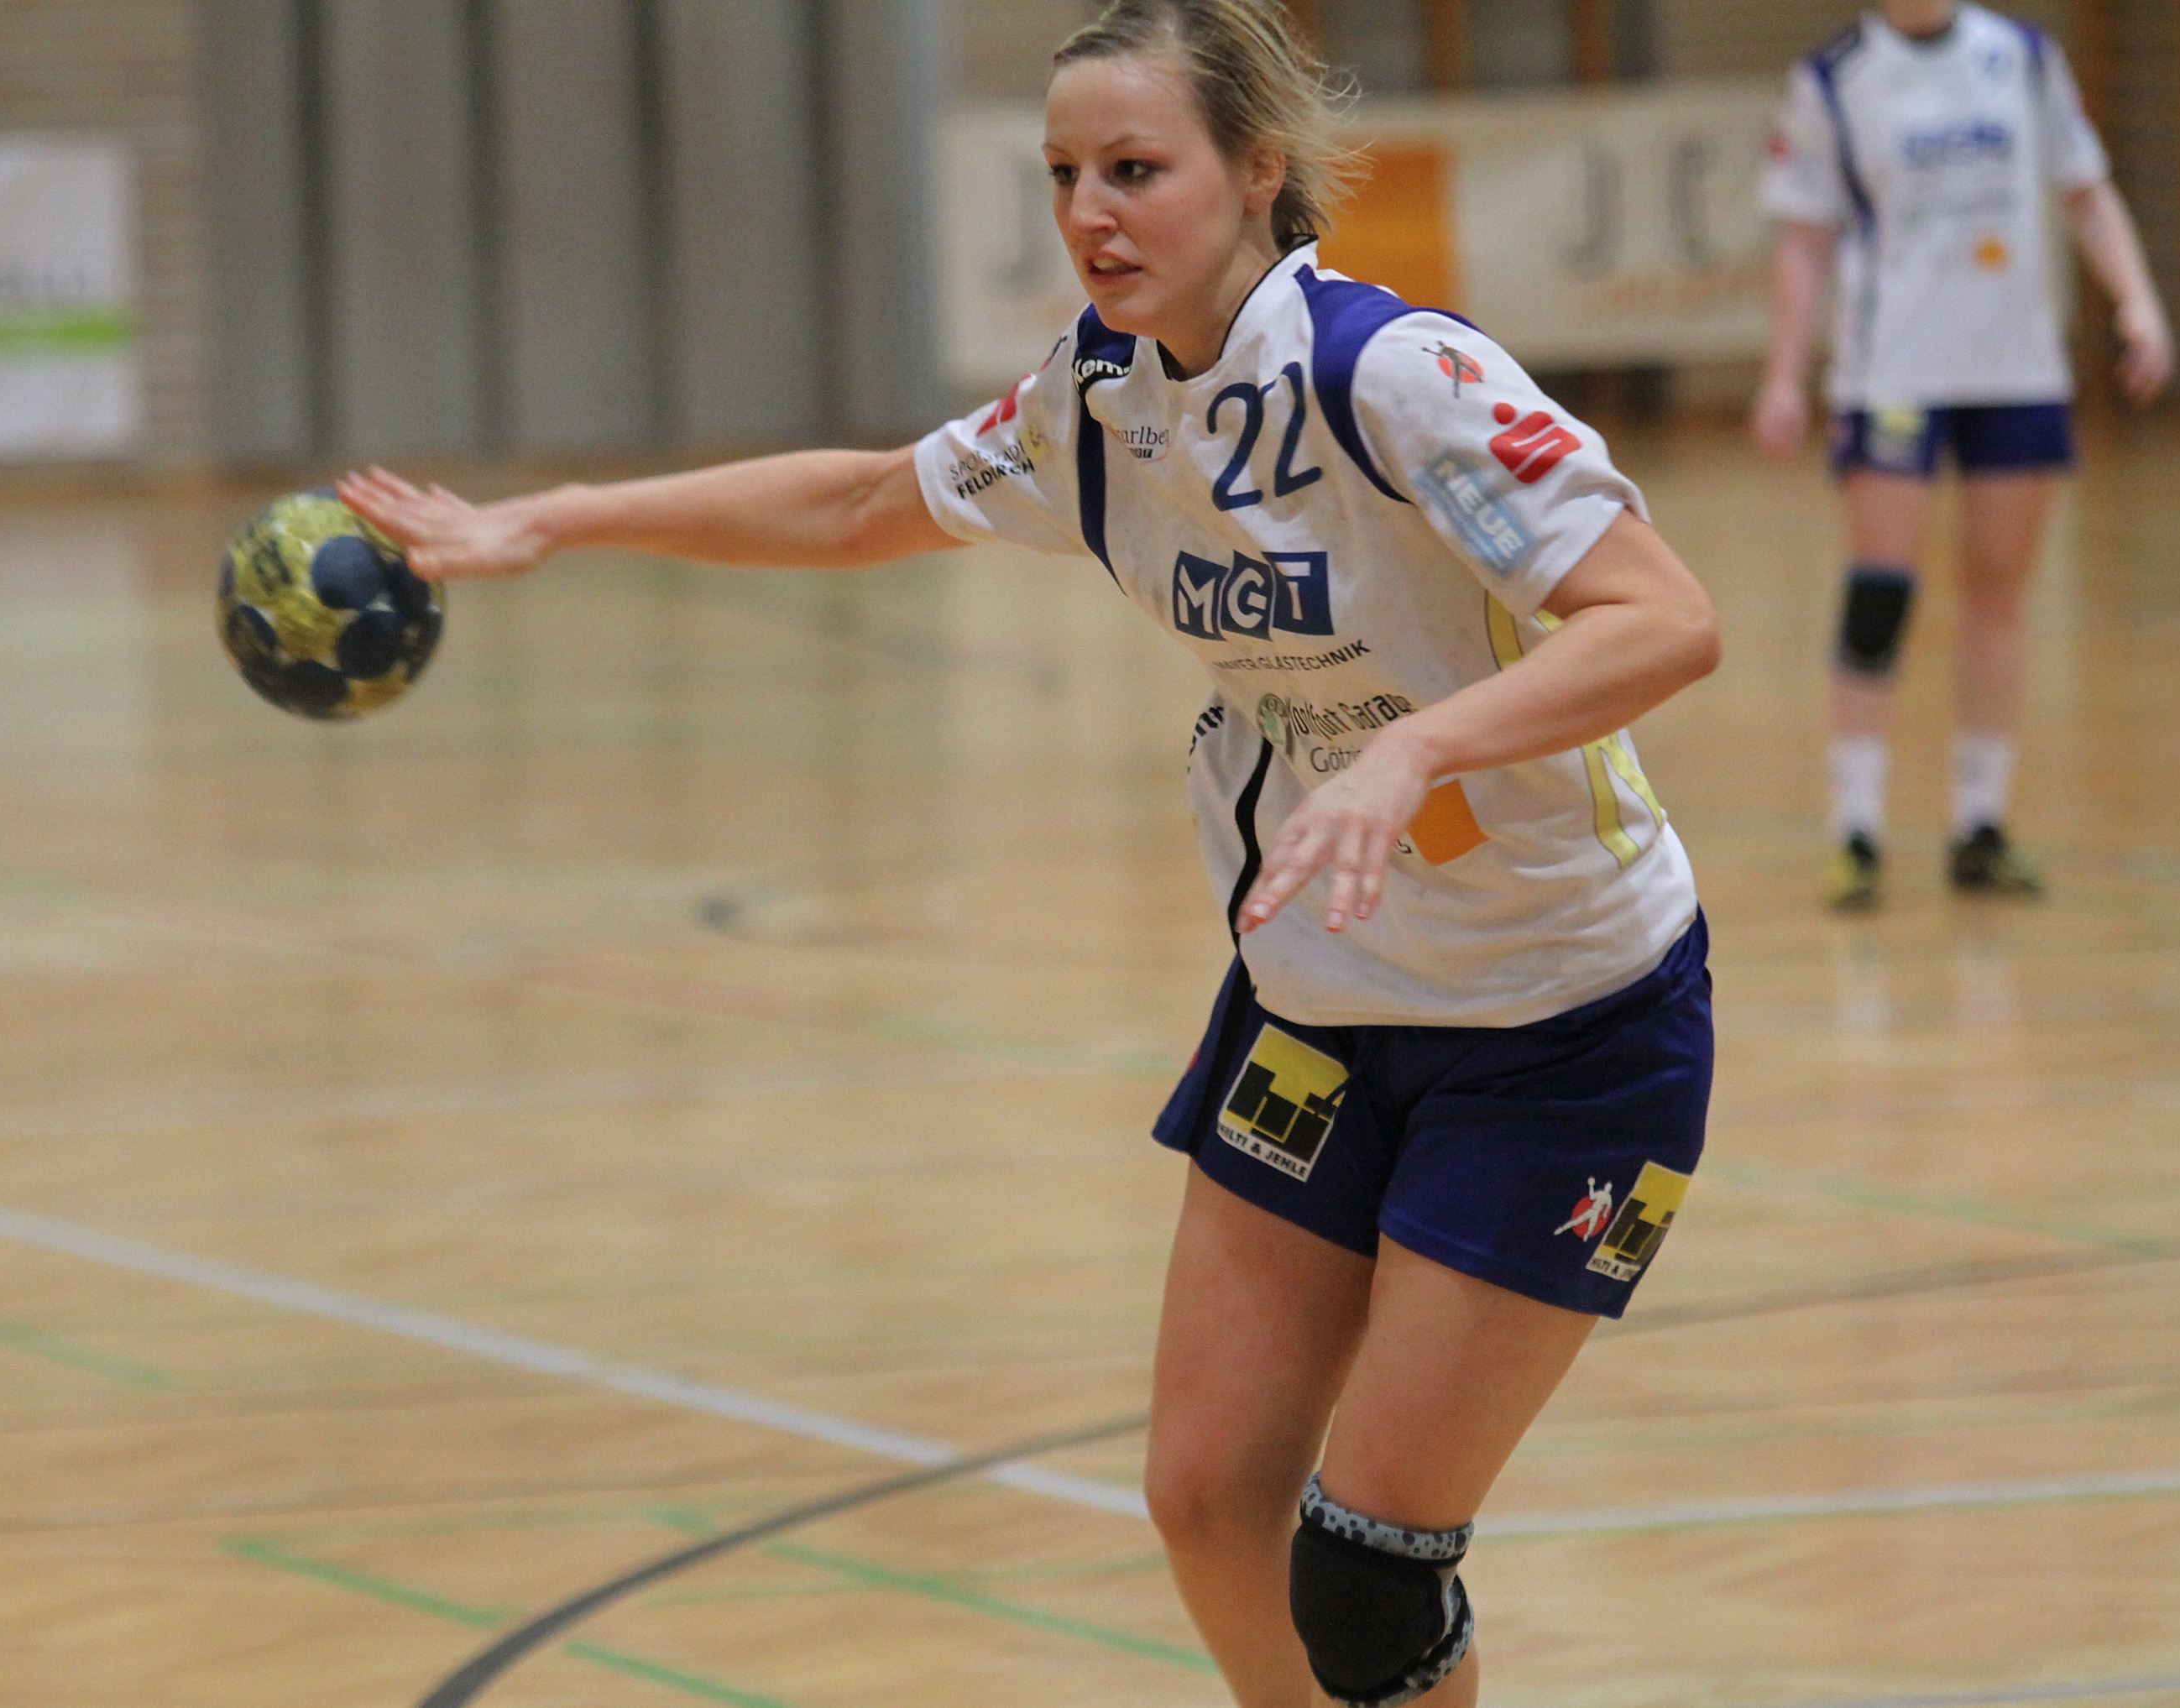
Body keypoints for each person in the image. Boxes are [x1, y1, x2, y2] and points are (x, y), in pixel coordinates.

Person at [339, 3, 1719, 1704]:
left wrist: (1416, 747)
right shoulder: (1103, 398)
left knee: (1364, 1576)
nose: (1088, 213)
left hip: (1558, 1022)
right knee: (1204, 1499)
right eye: (1064, 173)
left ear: (1255, 172)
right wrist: (550, 521)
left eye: (1133, 169)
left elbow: (1662, 619)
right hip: (1321, 998)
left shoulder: (1393, 379)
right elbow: (861, 503)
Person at [1750, 0, 2172, 909]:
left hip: (2014, 367)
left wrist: (2137, 301)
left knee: (1997, 592)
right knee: (1880, 592)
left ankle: (1980, 823)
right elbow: (1805, 242)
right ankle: (1856, 828)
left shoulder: (2022, 57)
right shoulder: (1834, 78)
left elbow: (2085, 191)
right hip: (1892, 372)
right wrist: (1784, 376)